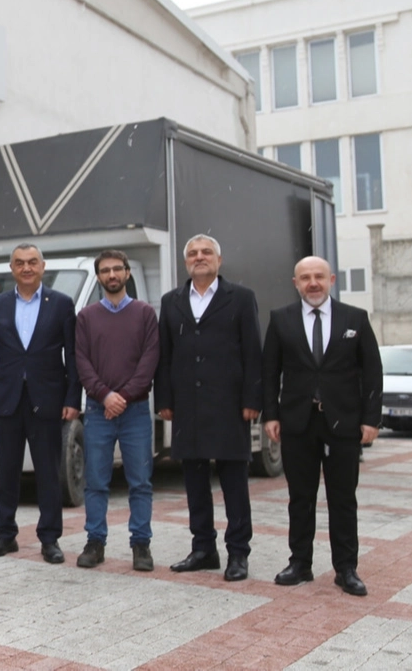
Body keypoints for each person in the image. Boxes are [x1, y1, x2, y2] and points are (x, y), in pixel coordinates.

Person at [263, 256, 382, 596]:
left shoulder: (355, 318)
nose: (312, 283)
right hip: (297, 423)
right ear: (295, 283)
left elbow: (372, 371)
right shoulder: (281, 319)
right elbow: (269, 371)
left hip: (343, 423)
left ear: (331, 280)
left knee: (343, 498)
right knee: (300, 497)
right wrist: (271, 415)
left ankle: (346, 568)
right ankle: (300, 563)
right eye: (305, 278)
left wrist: (371, 419)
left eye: (319, 276)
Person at [154, 234, 261, 582]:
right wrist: (164, 400)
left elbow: (252, 351)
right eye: (193, 254)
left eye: (206, 252)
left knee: (234, 484)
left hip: (229, 405)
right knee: (195, 484)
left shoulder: (241, 298)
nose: (199, 257)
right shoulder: (171, 301)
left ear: (219, 260)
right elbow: (165, 354)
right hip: (187, 406)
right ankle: (203, 549)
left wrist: (252, 399)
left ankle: (238, 553)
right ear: (186, 261)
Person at [0, 243, 80, 564]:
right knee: (6, 471)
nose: (26, 268)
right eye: (19, 263)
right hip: (6, 401)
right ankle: (5, 535)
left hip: (47, 401)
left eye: (32, 262)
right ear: (12, 269)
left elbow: (72, 355)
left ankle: (50, 538)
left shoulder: (61, 304)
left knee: (48, 473)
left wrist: (72, 398)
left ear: (42, 266)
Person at [73, 250, 159, 572]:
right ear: (98, 277)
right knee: (96, 481)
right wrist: (105, 396)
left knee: (140, 482)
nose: (112, 275)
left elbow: (149, 361)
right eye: (105, 270)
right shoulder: (86, 317)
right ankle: (95, 542)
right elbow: (82, 362)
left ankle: (141, 545)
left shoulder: (145, 313)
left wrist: (121, 396)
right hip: (98, 411)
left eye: (117, 269)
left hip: (135, 411)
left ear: (127, 273)